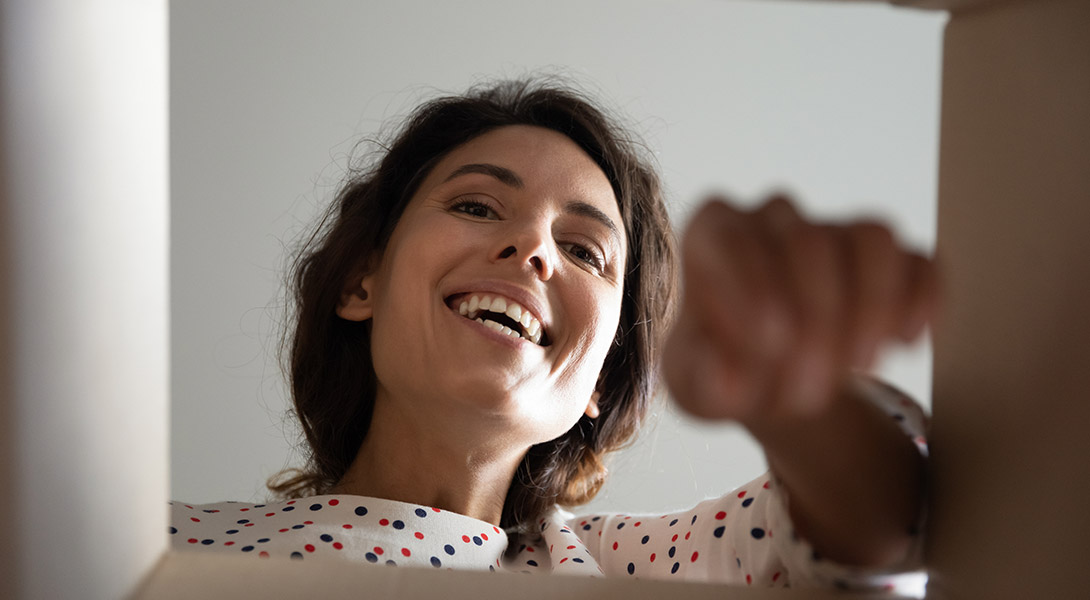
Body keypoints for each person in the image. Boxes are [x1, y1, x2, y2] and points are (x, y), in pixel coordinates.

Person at [170, 79, 935, 591]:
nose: (533, 249)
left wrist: (787, 391)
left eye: (583, 251)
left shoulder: (620, 568)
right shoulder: (156, 540)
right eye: (475, 206)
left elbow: (883, 532)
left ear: (604, 377)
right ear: (359, 282)